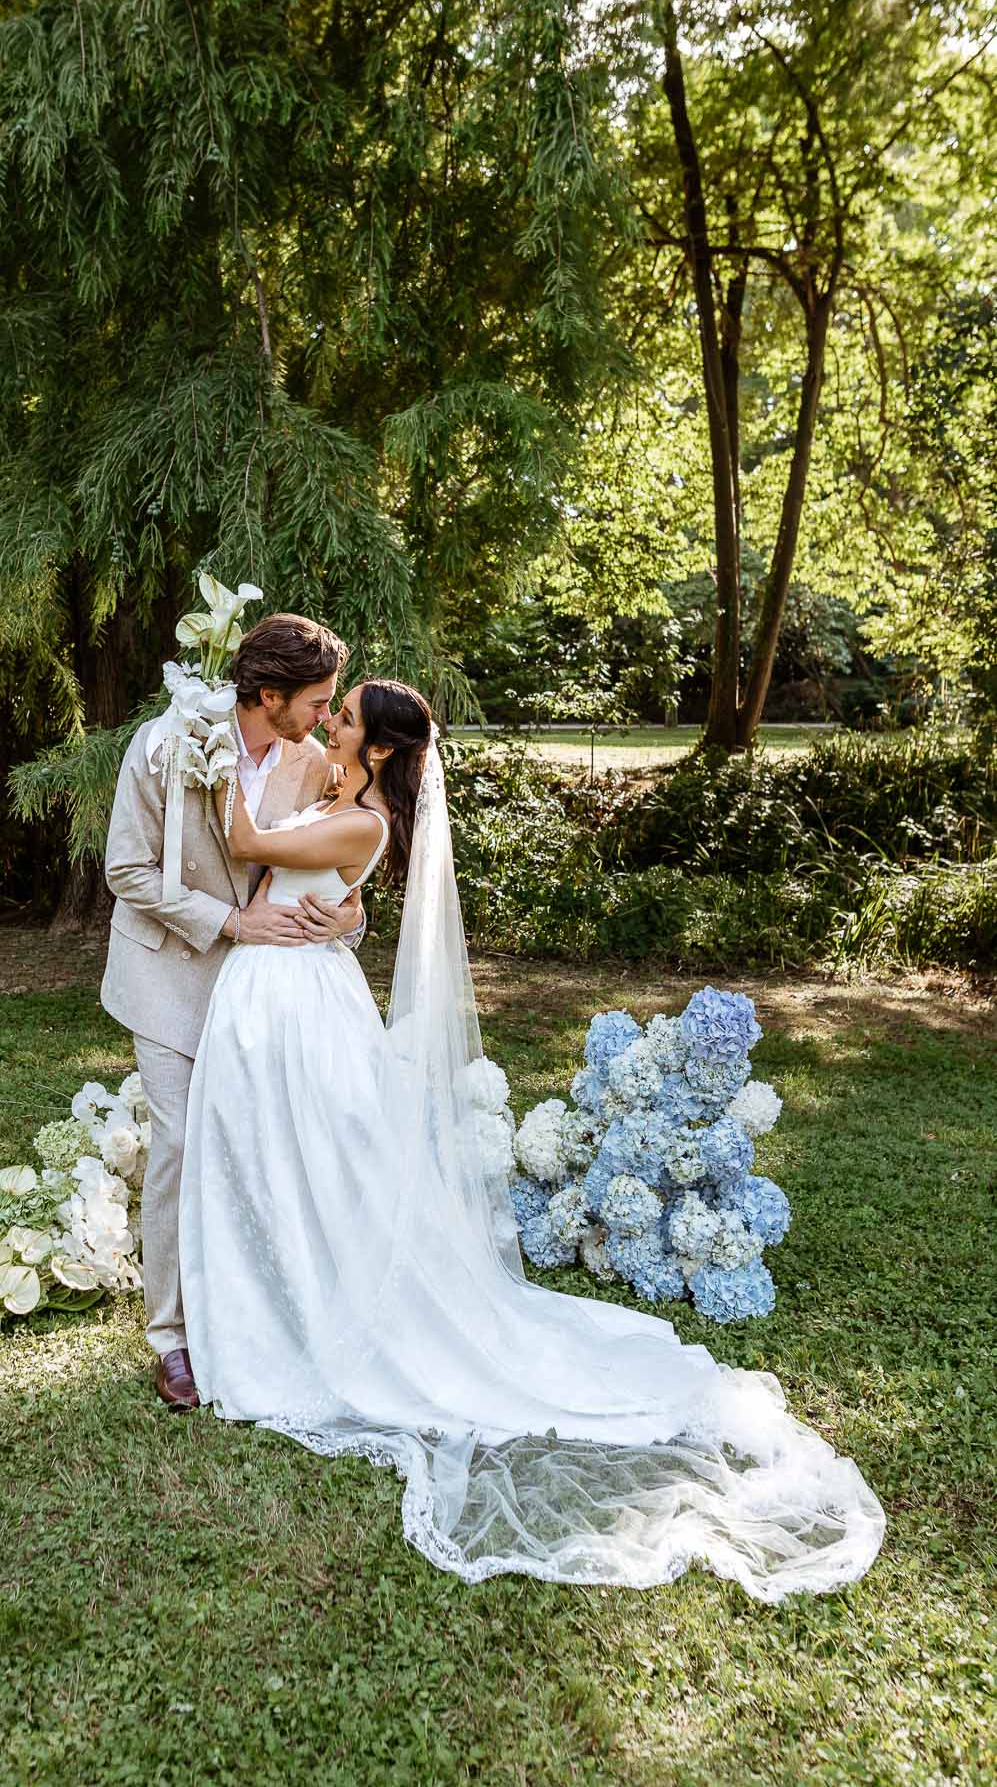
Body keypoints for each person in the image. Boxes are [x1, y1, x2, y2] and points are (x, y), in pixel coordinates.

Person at [175, 679, 886, 1602]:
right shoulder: (324, 785)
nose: (328, 723)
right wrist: (342, 911)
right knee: (277, 1161)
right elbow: (281, 868)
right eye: (333, 709)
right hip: (268, 998)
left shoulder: (361, 824)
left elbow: (246, 843)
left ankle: (321, 1310)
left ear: (381, 751)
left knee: (332, 1164)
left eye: (344, 717)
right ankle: (267, 1288)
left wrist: (205, 741)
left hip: (305, 1010)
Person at [101, 612, 365, 1410]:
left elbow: (337, 858)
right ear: (269, 693)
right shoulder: (160, 745)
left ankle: (256, 1308)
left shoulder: (311, 761)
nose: (326, 715)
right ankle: (171, 1338)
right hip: (169, 977)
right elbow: (126, 871)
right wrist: (230, 923)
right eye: (317, 701)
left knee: (260, 1145)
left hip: (265, 997)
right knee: (181, 1144)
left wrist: (350, 919)